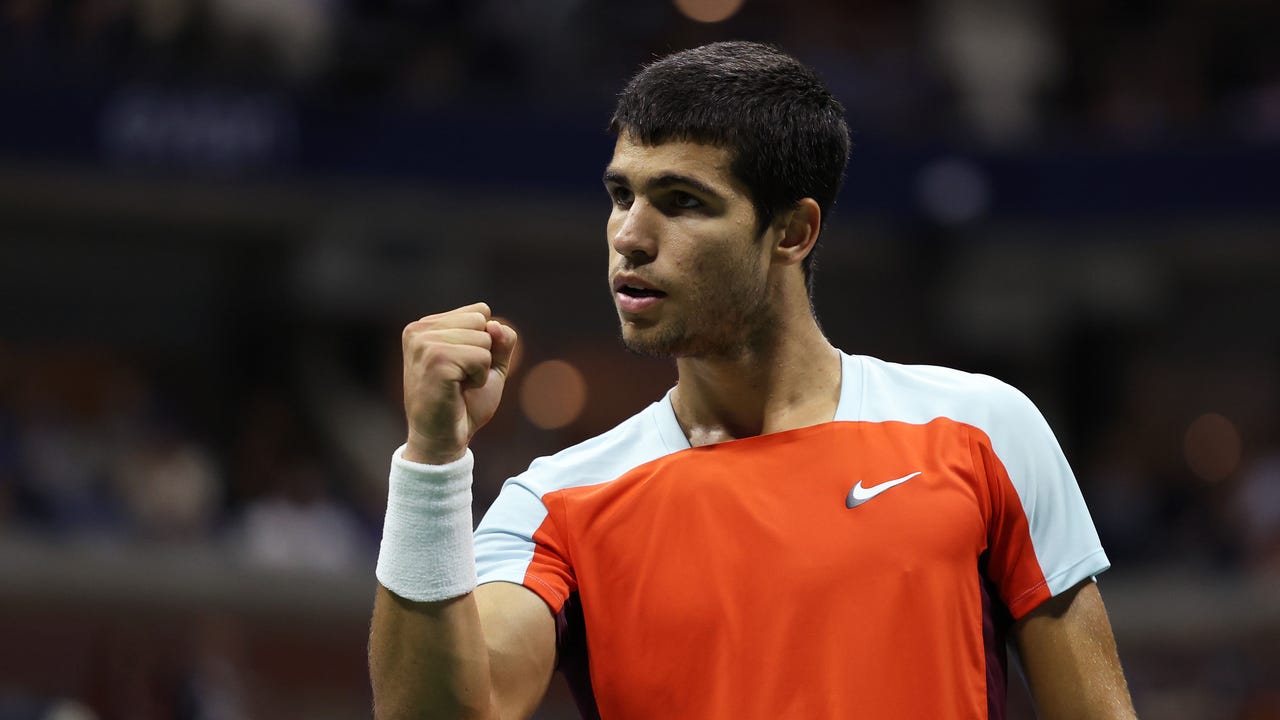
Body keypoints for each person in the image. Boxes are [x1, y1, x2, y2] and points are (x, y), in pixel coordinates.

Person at [369, 41, 1137, 719]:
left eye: (682, 202)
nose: (630, 235)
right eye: (622, 195)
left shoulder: (983, 431)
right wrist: (432, 463)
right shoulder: (555, 505)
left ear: (793, 232)